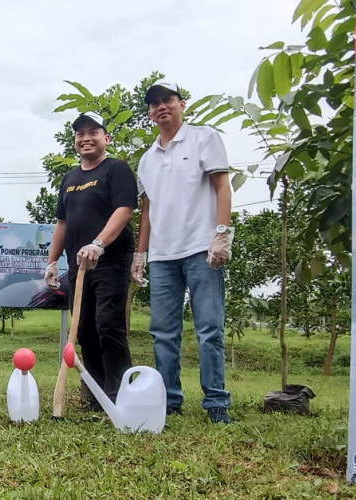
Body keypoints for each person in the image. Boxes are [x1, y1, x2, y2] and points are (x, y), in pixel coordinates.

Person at [133, 82, 233, 423]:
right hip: (162, 256)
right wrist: (140, 254)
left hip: (201, 249)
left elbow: (222, 185)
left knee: (209, 329)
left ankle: (216, 403)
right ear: (149, 113)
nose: (162, 107)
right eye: (155, 104)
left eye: (168, 100)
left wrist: (222, 234)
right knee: (163, 332)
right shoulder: (146, 160)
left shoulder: (204, 137)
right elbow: (146, 210)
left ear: (181, 104)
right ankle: (170, 400)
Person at [45, 112, 136, 405]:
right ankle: (97, 397)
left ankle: (119, 395)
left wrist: (99, 243)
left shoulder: (116, 169)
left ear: (106, 138)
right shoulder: (69, 178)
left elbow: (124, 210)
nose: (86, 138)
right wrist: (52, 261)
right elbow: (63, 222)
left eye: (93, 132)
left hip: (109, 261)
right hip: (77, 266)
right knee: (84, 329)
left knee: (108, 324)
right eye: (80, 133)